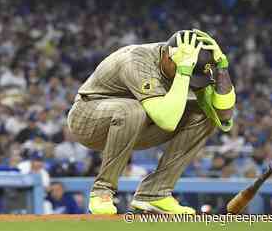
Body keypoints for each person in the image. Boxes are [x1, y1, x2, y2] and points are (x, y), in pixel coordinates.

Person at [67, 29, 235, 214]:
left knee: (205, 115)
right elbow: (167, 122)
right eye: (188, 71)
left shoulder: (193, 65)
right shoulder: (137, 60)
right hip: (88, 118)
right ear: (167, 56)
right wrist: (183, 71)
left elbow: (223, 116)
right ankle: (102, 192)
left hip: (133, 127)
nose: (191, 81)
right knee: (132, 111)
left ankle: (155, 194)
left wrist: (222, 69)